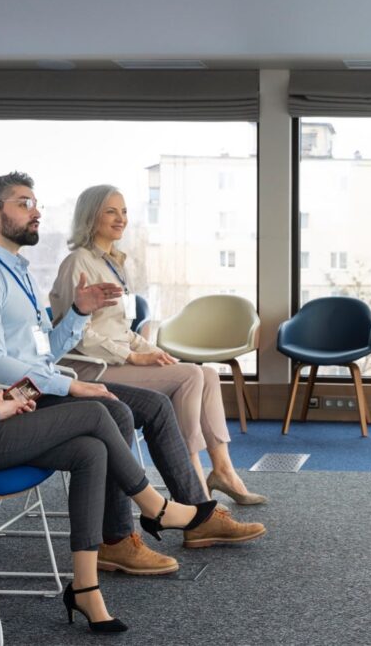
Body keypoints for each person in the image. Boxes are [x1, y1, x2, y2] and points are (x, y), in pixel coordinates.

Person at [0, 211, 218, 634]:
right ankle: (155, 507)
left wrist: (1, 398)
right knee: (97, 411)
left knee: (89, 449)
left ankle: (86, 588)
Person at [0, 172, 266, 576]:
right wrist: (69, 384)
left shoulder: (17, 270)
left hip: (42, 382)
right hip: (16, 398)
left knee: (154, 405)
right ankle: (118, 539)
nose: (37, 212)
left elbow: (46, 348)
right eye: (24, 203)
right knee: (113, 411)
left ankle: (198, 516)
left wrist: (79, 311)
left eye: (35, 203)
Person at [50, 184, 265, 505]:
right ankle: (192, 477)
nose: (120, 218)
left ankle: (222, 470)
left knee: (204, 374)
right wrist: (132, 357)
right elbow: (78, 334)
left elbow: (122, 328)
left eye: (123, 211)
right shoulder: (77, 263)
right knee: (191, 376)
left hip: (115, 360)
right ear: (90, 216)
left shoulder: (113, 263)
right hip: (88, 368)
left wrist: (149, 351)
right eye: (111, 211)